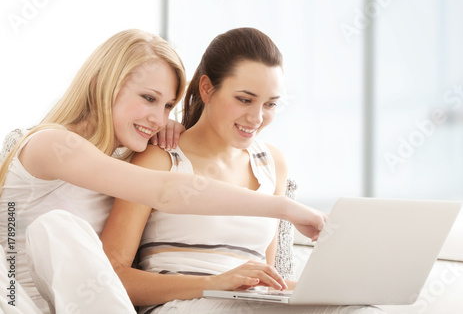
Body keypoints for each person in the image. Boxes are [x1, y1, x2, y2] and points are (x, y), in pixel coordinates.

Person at [0, 29, 327, 313]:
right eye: (148, 98)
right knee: (56, 228)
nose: (159, 118)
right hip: (22, 305)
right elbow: (167, 190)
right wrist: (284, 208)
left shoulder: (127, 157)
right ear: (104, 83)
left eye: (168, 106)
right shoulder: (52, 145)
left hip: (90, 304)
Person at [101, 28, 384, 314]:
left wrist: (341, 291)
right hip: (181, 306)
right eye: (245, 100)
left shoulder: (272, 163)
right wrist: (216, 283)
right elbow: (112, 275)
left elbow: (269, 283)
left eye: (270, 104)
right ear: (207, 89)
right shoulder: (159, 158)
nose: (257, 118)